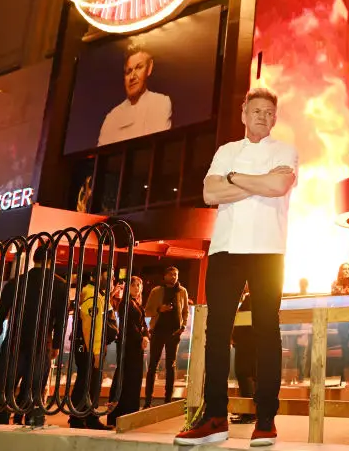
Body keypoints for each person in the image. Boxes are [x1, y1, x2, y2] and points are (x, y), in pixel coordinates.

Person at [174, 87, 297, 447]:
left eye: (269, 113)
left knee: (266, 330)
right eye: (256, 111)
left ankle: (266, 420)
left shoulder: (285, 151)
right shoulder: (226, 151)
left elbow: (278, 185)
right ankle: (214, 418)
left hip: (268, 250)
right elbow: (210, 194)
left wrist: (233, 179)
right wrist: (252, 183)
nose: (262, 117)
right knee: (216, 332)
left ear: (274, 119)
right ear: (243, 113)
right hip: (225, 249)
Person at [0, 245, 68, 427]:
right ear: (52, 261)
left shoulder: (16, 282)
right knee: (35, 388)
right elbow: (61, 319)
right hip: (41, 342)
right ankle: (32, 420)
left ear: (34, 259)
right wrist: (57, 344)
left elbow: (0, 313)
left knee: (5, 387)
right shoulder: (59, 285)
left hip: (14, 340)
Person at [97, 43, 172, 146]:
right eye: (128, 71)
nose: (132, 76)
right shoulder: (111, 117)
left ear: (149, 68)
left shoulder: (160, 102)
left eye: (139, 67)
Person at [69, 269, 113, 430]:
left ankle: (80, 418)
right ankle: (84, 418)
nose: (111, 280)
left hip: (90, 346)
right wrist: (95, 351)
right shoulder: (92, 295)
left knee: (87, 382)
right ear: (95, 276)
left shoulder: (97, 294)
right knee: (88, 382)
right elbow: (90, 327)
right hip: (89, 347)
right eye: (108, 276)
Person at [144, 266, 190, 407]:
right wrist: (160, 309)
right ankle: (147, 401)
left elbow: (185, 311)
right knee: (153, 366)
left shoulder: (182, 291)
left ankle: (168, 401)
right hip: (158, 331)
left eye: (175, 274)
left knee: (171, 366)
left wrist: (183, 327)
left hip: (174, 333)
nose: (174, 277)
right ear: (164, 276)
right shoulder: (156, 291)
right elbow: (147, 311)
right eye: (170, 274)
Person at [107, 276, 149, 427]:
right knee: (125, 378)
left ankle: (130, 413)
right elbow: (129, 326)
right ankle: (118, 415)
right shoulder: (126, 303)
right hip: (128, 345)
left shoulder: (137, 303)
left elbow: (143, 324)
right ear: (128, 287)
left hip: (136, 346)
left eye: (139, 285)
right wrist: (141, 337)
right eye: (134, 285)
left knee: (134, 379)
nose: (137, 288)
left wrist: (145, 336)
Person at [231, 288, 256, 425]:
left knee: (243, 374)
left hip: (245, 344)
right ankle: (250, 412)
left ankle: (248, 413)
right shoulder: (257, 297)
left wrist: (234, 337)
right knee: (250, 376)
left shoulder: (249, 299)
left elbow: (241, 321)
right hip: (250, 343)